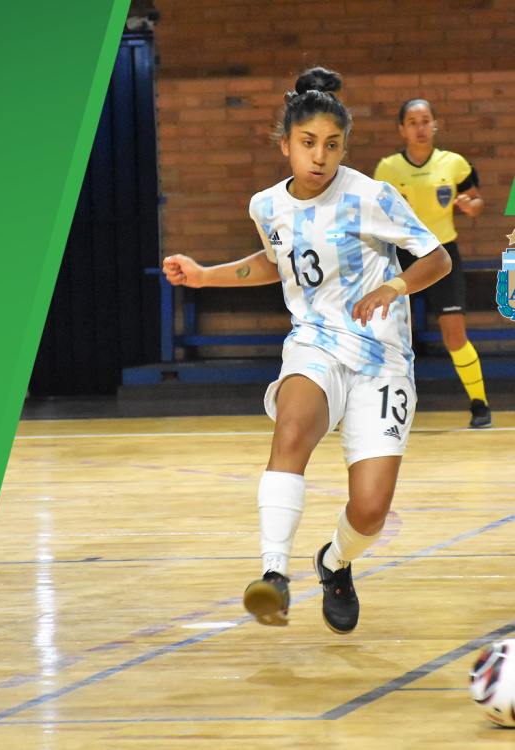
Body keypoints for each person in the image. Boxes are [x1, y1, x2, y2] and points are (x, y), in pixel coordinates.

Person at [163, 68, 451, 634]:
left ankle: (334, 563)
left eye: (332, 145)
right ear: (285, 144)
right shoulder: (266, 206)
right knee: (291, 428)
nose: (319, 157)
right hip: (315, 342)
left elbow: (436, 259)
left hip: (381, 359)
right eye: (308, 143)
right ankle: (273, 577)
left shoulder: (373, 196)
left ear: (344, 146)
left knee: (370, 510)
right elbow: (275, 262)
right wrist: (203, 276)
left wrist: (393, 287)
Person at [374, 100, 491, 428]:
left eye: (426, 121)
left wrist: (472, 206)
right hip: (402, 256)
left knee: (454, 334)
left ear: (435, 125)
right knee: (383, 333)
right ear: (402, 129)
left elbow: (477, 200)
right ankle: (364, 406)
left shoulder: (454, 164)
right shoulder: (387, 169)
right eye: (412, 122)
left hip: (443, 255)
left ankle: (480, 405)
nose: (420, 127)